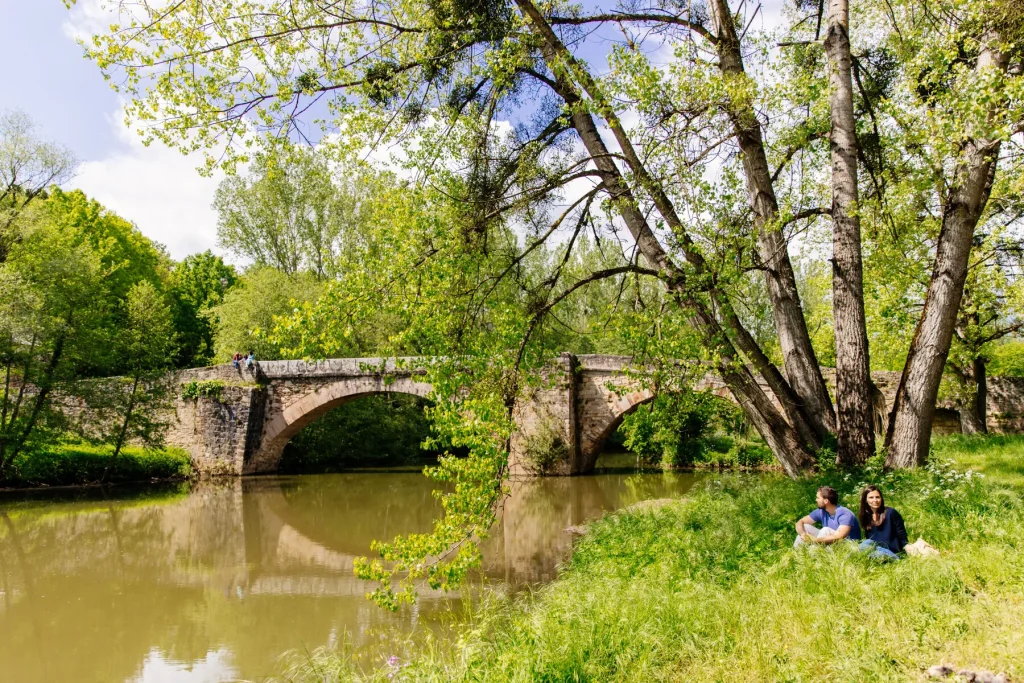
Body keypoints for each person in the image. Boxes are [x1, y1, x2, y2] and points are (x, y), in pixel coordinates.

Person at [794, 486, 861, 548]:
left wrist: (814, 540)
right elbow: (800, 522)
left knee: (826, 530)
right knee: (805, 527)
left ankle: (814, 555)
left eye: (818, 498)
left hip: (849, 545)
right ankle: (795, 554)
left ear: (826, 501)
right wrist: (803, 534)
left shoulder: (845, 514)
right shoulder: (821, 511)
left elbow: (839, 537)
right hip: (831, 543)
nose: (816, 500)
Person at [857, 485, 908, 561]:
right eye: (871, 497)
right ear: (865, 500)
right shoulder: (866, 515)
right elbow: (869, 538)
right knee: (865, 543)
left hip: (892, 551)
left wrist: (907, 547)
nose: (875, 500)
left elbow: (901, 534)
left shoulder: (890, 512)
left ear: (881, 498)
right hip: (876, 548)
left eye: (877, 497)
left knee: (877, 554)